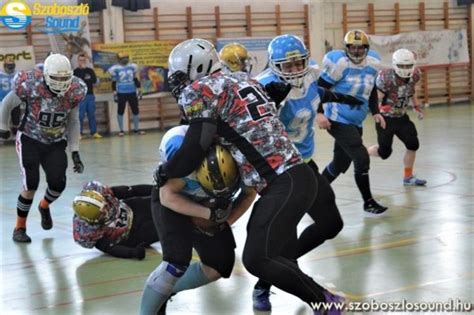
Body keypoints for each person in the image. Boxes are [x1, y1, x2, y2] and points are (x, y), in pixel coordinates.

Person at [150, 38, 341, 314]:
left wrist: (165, 171)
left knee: (257, 258)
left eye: (180, 76)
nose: (178, 84)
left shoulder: (201, 89)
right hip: (294, 177)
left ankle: (327, 302)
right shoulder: (241, 78)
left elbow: (194, 148)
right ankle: (324, 302)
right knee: (271, 256)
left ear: (195, 69)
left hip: (284, 181)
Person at [252, 34, 364, 311]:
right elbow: (254, 131)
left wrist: (339, 98)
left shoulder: (311, 74)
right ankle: (268, 284)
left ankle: (273, 276)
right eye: (287, 66)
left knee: (331, 224)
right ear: (274, 65)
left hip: (305, 163)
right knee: (282, 239)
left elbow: (316, 92)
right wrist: (271, 105)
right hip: (279, 173)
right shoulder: (263, 86)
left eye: (298, 62)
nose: (294, 70)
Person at [139, 124, 257, 314]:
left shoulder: (244, 162)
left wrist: (225, 222)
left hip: (211, 201)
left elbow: (249, 194)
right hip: (173, 199)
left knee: (219, 265)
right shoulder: (182, 157)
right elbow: (167, 196)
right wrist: (208, 214)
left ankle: (164, 291)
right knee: (176, 262)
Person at [0, 53, 87, 243]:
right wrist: (3, 128)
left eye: (65, 78)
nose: (61, 82)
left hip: (55, 141)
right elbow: (6, 103)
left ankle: (44, 205)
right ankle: (19, 228)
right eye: (56, 78)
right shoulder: (31, 85)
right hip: (30, 138)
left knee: (58, 184)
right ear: (47, 75)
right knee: (31, 183)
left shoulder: (74, 90)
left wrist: (75, 151)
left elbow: (73, 122)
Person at [318, 29, 388, 215]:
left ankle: (314, 193)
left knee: (340, 164)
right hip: (337, 118)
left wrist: (375, 111)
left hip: (356, 120)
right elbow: (318, 90)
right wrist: (319, 113)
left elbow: (371, 89)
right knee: (361, 158)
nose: (356, 52)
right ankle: (368, 202)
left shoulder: (372, 62)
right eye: (353, 48)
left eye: (360, 48)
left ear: (366, 48)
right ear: (346, 48)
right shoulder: (339, 63)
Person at [367, 48, 427, 186]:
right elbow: (375, 100)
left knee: (413, 144)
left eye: (408, 65)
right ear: (395, 64)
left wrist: (416, 106)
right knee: (384, 153)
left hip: (401, 117)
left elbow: (412, 90)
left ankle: (408, 177)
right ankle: (362, 152)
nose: (405, 68)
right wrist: (381, 109)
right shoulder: (386, 78)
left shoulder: (415, 74)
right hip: (385, 120)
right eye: (402, 65)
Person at [72, 181, 158, 259]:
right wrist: (131, 253)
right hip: (132, 235)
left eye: (105, 206)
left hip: (131, 208)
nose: (107, 210)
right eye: (101, 213)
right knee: (163, 228)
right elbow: (110, 248)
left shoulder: (101, 193)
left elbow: (132, 190)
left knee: (159, 201)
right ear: (91, 220)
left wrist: (158, 190)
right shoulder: (87, 232)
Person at [108, 52, 145, 136]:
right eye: (123, 58)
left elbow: (135, 79)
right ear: (119, 59)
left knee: (135, 110)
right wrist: (114, 93)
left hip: (132, 91)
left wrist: (139, 89)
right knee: (120, 110)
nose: (125, 60)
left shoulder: (132, 67)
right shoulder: (115, 69)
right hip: (121, 92)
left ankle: (136, 129)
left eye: (126, 58)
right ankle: (121, 130)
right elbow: (114, 82)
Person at [74, 52, 102, 139]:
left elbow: (94, 81)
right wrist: (82, 71)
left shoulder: (90, 71)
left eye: (83, 60)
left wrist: (85, 71)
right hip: (80, 97)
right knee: (80, 116)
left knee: (91, 115)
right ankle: (79, 133)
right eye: (80, 60)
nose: (82, 62)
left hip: (90, 95)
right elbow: (76, 83)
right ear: (78, 61)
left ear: (85, 61)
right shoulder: (75, 72)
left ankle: (94, 132)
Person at [0, 56, 20, 136]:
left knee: (16, 120)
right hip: (2, 101)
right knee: (3, 120)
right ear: (4, 66)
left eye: (11, 65)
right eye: (8, 65)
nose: (10, 67)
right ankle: (3, 135)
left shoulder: (18, 74)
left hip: (15, 102)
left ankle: (16, 135)